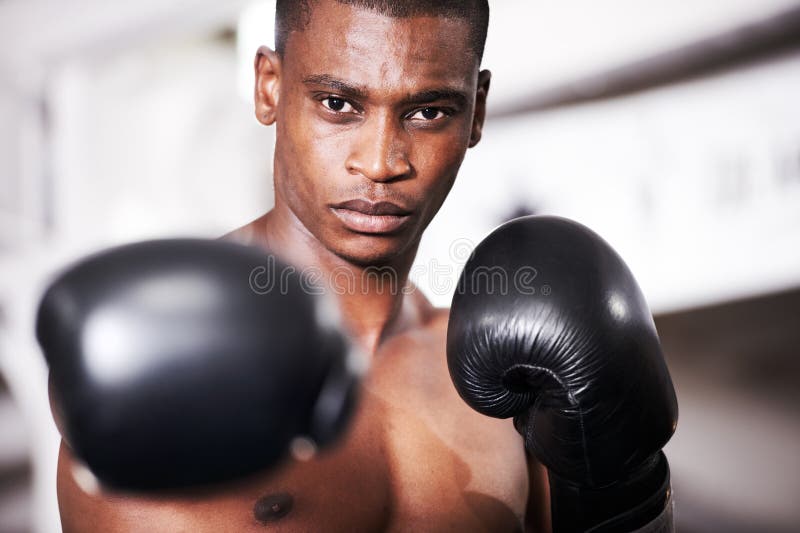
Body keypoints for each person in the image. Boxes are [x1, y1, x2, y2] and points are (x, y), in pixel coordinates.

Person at [54, 1, 553, 531]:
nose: (381, 163)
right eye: (338, 103)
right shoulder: (170, 354)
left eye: (428, 112)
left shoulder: (502, 372)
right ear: (269, 86)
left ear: (475, 111)